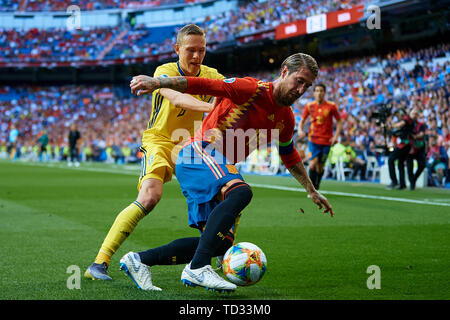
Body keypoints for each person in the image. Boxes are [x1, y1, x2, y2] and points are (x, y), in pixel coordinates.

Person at [127, 53, 334, 292]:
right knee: (241, 193)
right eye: (299, 81)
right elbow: (205, 85)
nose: (301, 90)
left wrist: (312, 190)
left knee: (219, 244)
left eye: (307, 86)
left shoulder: (286, 118)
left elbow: (290, 156)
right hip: (199, 152)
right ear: (285, 71)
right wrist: (158, 83)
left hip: (217, 168)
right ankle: (197, 268)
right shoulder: (252, 89)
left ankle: (139, 260)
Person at [84, 24, 225, 283]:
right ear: (177, 49)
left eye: (201, 50)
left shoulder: (212, 74)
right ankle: (99, 262)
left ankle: (214, 259)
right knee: (150, 196)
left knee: (225, 193)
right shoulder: (164, 72)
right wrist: (213, 108)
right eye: (190, 50)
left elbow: (230, 95)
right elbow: (180, 99)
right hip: (159, 141)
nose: (196, 56)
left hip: (192, 147)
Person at [297, 83, 343, 190]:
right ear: (314, 93)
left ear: (324, 93)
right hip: (313, 139)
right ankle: (312, 189)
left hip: (327, 141)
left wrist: (335, 136)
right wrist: (300, 130)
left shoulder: (331, 106)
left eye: (321, 91)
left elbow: (339, 122)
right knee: (313, 163)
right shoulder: (309, 106)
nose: (319, 93)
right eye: (317, 91)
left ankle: (317, 185)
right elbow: (302, 120)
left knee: (320, 167)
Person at [387, 108, 414, 190]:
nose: (397, 117)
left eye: (397, 115)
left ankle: (394, 181)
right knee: (400, 164)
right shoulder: (406, 121)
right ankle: (402, 184)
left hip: (405, 144)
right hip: (405, 144)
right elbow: (397, 130)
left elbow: (397, 126)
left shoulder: (406, 119)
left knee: (391, 159)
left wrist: (392, 123)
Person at [406, 108, 427, 190]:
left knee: (422, 165)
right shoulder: (407, 124)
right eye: (413, 113)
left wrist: (414, 136)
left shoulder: (421, 125)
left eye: (416, 114)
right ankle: (412, 183)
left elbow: (421, 134)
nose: (415, 115)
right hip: (410, 146)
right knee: (409, 167)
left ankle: (413, 179)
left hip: (419, 146)